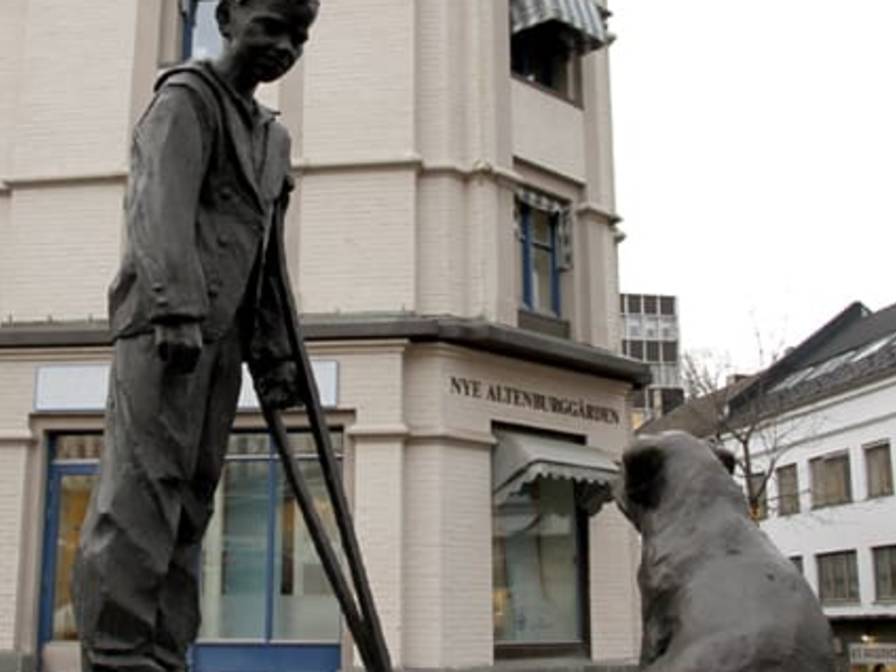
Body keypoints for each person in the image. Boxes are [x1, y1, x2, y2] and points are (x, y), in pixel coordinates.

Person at [72, 1, 319, 670]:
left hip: (226, 339)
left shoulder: (273, 137)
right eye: (271, 26)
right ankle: (120, 654)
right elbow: (159, 204)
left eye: (299, 35)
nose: (284, 46)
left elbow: (270, 259)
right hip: (164, 331)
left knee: (193, 497)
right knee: (142, 494)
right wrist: (175, 308)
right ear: (229, 15)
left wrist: (276, 354)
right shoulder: (185, 98)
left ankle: (165, 650)